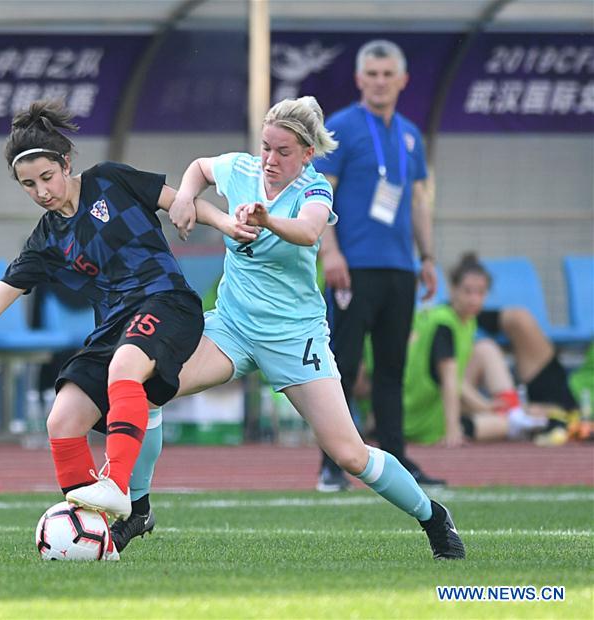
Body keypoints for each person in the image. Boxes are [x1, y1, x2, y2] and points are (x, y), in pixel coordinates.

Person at [157, 95, 464, 560]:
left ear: (307, 154)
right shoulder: (241, 170)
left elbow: (308, 232)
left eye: (283, 152)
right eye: (266, 148)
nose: (270, 160)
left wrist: (266, 219)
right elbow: (200, 168)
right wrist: (184, 195)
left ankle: (433, 516)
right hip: (233, 328)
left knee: (350, 455)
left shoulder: (316, 189)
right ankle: (134, 510)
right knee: (151, 386)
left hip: (294, 338)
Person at [0, 101, 206, 553]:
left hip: (167, 301)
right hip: (114, 324)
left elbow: (179, 201)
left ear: (66, 164)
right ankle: (101, 528)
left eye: (47, 177)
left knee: (125, 367)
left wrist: (227, 224)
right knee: (61, 419)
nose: (41, 191)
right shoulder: (46, 239)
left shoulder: (109, 179)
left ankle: (118, 488)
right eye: (29, 185)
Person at [312, 40, 443, 491]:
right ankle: (333, 464)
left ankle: (397, 460)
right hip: (353, 267)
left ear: (402, 80)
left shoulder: (409, 134)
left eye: (388, 74)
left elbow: (418, 202)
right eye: (373, 74)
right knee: (341, 368)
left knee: (392, 368)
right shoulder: (341, 127)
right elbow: (320, 195)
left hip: (399, 268)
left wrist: (426, 257)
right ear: (359, 79)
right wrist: (330, 252)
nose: (380, 81)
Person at [402, 253, 577, 445]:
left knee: (487, 348)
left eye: (480, 293)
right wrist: (453, 430)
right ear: (452, 289)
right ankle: (517, 418)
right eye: (467, 291)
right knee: (505, 424)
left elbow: (457, 380)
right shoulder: (444, 324)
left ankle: (515, 412)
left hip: (437, 404)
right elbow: (448, 380)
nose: (474, 299)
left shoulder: (467, 323)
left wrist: (487, 406)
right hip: (424, 419)